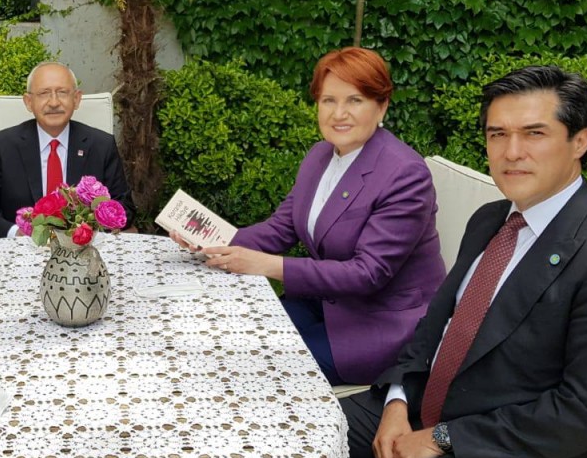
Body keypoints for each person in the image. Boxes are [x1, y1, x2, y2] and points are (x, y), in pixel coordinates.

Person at [342, 65, 587, 458]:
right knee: (275, 441)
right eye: (498, 134)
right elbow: (434, 328)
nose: (512, 152)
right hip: (420, 405)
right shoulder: (491, 219)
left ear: (580, 141)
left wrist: (441, 438)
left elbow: (586, 411)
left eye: (534, 133)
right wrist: (396, 400)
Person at [186, 47, 445, 385]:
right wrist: (209, 237)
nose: (339, 114)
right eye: (328, 101)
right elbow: (281, 228)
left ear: (382, 105)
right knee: (233, 338)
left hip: (382, 322)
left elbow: (368, 273)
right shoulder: (321, 154)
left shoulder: (405, 174)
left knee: (257, 371)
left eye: (355, 100)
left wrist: (267, 266)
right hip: (326, 303)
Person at [0, 61, 135, 239]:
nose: (53, 102)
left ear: (76, 99)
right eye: (44, 93)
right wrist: (16, 233)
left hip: (82, 252)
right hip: (20, 253)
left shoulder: (101, 145)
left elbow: (124, 208)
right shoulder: (4, 145)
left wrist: (85, 233)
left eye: (62, 92)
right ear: (29, 102)